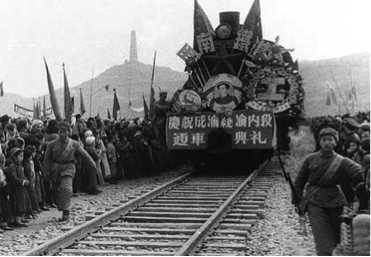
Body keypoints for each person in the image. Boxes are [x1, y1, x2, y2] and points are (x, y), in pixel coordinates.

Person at [294, 127, 362, 256]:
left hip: (335, 200)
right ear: (320, 142)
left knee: (338, 237)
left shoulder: (342, 161)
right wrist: (297, 200)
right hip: (314, 200)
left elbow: (359, 172)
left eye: (330, 140)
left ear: (335, 142)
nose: (326, 143)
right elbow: (299, 181)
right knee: (322, 238)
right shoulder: (310, 159)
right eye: (324, 140)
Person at [43, 122, 98, 221]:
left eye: (64, 131)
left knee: (66, 188)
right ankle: (62, 206)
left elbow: (84, 154)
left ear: (68, 132)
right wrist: (46, 172)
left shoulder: (74, 144)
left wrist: (92, 165)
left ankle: (66, 211)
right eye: (60, 131)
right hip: (56, 169)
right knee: (58, 191)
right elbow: (46, 159)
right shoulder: (51, 144)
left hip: (69, 168)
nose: (62, 134)